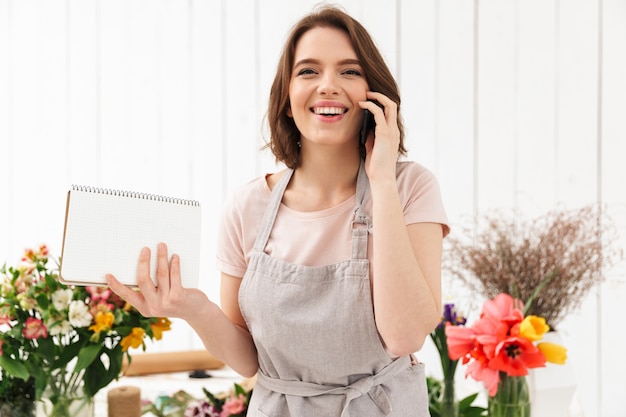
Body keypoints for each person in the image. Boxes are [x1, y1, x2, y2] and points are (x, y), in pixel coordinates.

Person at [107, 5, 449, 416]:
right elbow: (248, 360)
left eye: (349, 71)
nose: (328, 85)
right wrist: (192, 309)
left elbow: (405, 336)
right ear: (287, 100)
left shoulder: (409, 188)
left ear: (374, 96)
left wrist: (381, 181)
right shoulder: (246, 207)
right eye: (308, 71)